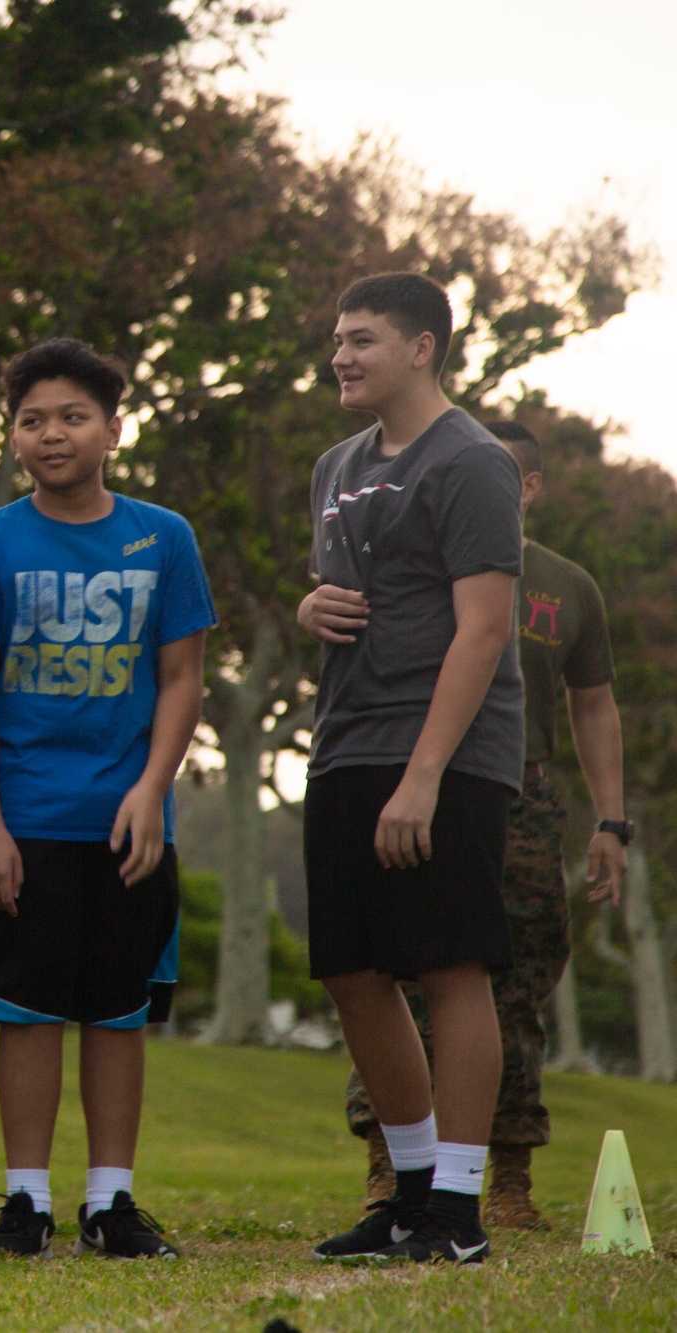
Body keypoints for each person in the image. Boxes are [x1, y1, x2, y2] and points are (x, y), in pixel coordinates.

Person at [0, 338, 213, 1261]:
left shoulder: (163, 536)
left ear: (112, 428)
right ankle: (24, 1203)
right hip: (25, 822)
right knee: (24, 1008)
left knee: (116, 1009)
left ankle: (110, 1202)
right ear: (12, 437)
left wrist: (149, 789)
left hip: (128, 823)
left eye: (71, 416)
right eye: (31, 420)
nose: (50, 434)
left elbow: (180, 677)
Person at [338, 419, 628, 1230]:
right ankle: (391, 1170)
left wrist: (611, 819)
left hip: (523, 801)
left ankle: (505, 1181)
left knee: (515, 984)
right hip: (417, 779)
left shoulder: (568, 586)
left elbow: (595, 705)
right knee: (395, 972)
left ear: (526, 487)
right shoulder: (417, 559)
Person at [296, 273, 525, 1265]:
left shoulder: (471, 462)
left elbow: (483, 629)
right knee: (350, 971)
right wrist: (310, 611)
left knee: (447, 964)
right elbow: (350, 590)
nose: (340, 356)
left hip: (444, 754)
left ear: (423, 347)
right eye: (336, 340)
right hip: (345, 742)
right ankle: (410, 1190)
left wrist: (425, 775)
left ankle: (460, 1212)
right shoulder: (333, 465)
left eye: (361, 340)